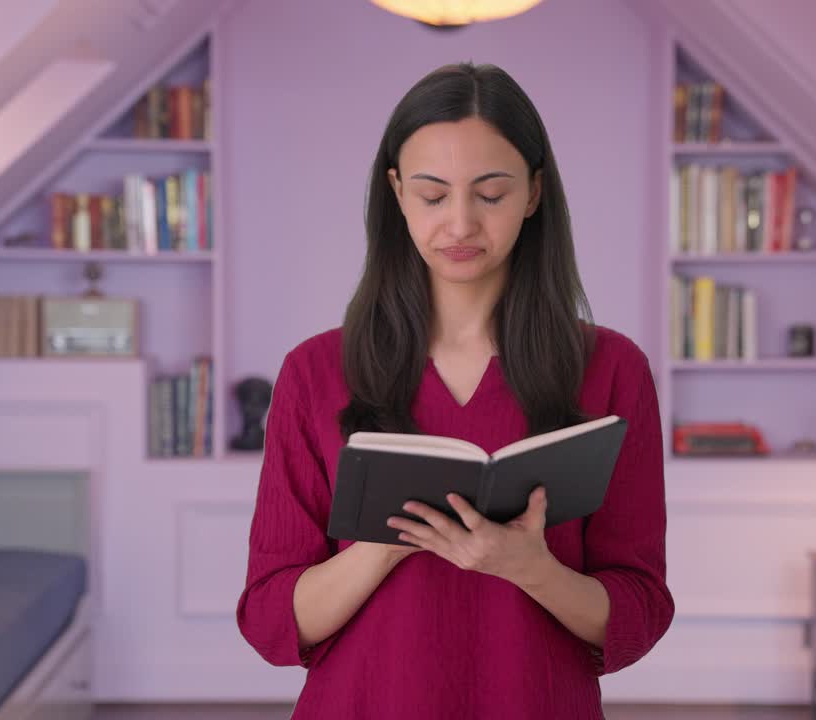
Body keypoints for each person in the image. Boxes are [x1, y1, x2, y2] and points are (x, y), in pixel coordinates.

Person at [236, 61, 674, 720]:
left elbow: (639, 613)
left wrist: (530, 566)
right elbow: (272, 619)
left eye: (490, 194)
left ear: (533, 192)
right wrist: (385, 539)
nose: (462, 224)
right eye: (433, 195)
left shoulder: (612, 368)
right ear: (396, 194)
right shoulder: (315, 370)